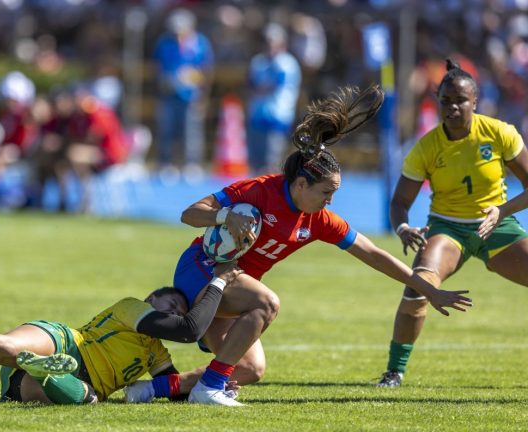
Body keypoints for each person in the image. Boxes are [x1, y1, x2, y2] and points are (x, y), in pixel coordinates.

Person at [133, 85, 473, 407]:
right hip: (201, 271)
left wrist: (426, 289)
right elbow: (189, 214)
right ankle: (209, 388)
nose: (330, 201)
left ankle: (153, 388)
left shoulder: (320, 221)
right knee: (267, 302)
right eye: (326, 192)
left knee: (251, 369)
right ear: (299, 184)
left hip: (232, 288)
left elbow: (374, 254)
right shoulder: (258, 191)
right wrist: (225, 217)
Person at [0, 263, 242, 404]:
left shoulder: (155, 354)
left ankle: (47, 370)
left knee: (85, 399)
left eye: (178, 309)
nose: (174, 313)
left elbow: (171, 387)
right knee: (5, 344)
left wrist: (211, 383)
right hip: (67, 340)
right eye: (169, 305)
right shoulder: (131, 307)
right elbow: (188, 329)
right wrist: (220, 281)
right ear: (152, 299)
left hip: (71, 381)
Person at [376, 59, 528, 388]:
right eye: (445, 101)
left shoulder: (500, 133)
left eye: (460, 100)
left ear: (475, 102)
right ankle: (394, 373)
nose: (452, 107)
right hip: (447, 228)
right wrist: (403, 227)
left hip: (497, 225)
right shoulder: (426, 147)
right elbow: (400, 202)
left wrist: (501, 211)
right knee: (417, 286)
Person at [153, 8, 214, 179]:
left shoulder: (200, 42)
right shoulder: (164, 43)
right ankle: (166, 164)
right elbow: (158, 67)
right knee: (167, 130)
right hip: (168, 94)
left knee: (192, 131)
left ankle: (192, 164)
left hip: (191, 95)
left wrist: (203, 94)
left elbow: (206, 70)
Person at [246, 23, 302, 175]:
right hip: (257, 113)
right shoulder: (258, 62)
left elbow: (274, 85)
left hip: (277, 114)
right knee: (255, 160)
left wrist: (259, 88)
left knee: (272, 159)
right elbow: (250, 84)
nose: (268, 45)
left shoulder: (287, 63)